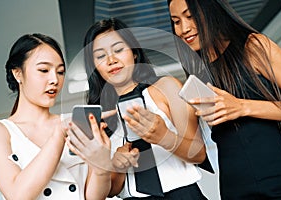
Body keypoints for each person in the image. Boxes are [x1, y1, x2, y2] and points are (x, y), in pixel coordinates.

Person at [167, 0, 281, 199]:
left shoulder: (253, 46)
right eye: (176, 21)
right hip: (232, 186)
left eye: (190, 16)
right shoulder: (199, 72)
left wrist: (242, 107)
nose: (184, 28)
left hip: (277, 179)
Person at [83, 17, 207, 199]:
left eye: (118, 50)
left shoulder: (167, 88)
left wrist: (163, 136)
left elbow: (199, 154)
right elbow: (111, 190)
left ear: (134, 52)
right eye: (101, 56)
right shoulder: (97, 117)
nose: (111, 60)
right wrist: (117, 167)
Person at [0, 33, 111, 199]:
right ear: (18, 74)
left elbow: (93, 197)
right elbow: (17, 195)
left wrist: (102, 167)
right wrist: (59, 134)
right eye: (44, 70)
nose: (54, 79)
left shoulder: (75, 123)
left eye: (60, 72)